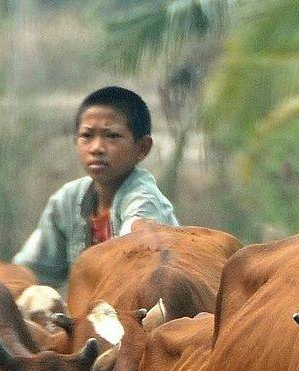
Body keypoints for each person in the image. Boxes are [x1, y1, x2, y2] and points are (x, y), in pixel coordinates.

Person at [14, 85, 178, 287]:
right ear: (76, 142)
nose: (97, 148)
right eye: (87, 136)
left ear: (142, 148)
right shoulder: (68, 199)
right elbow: (32, 270)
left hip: (147, 310)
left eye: (112, 136)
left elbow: (134, 269)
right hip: (92, 313)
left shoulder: (144, 201)